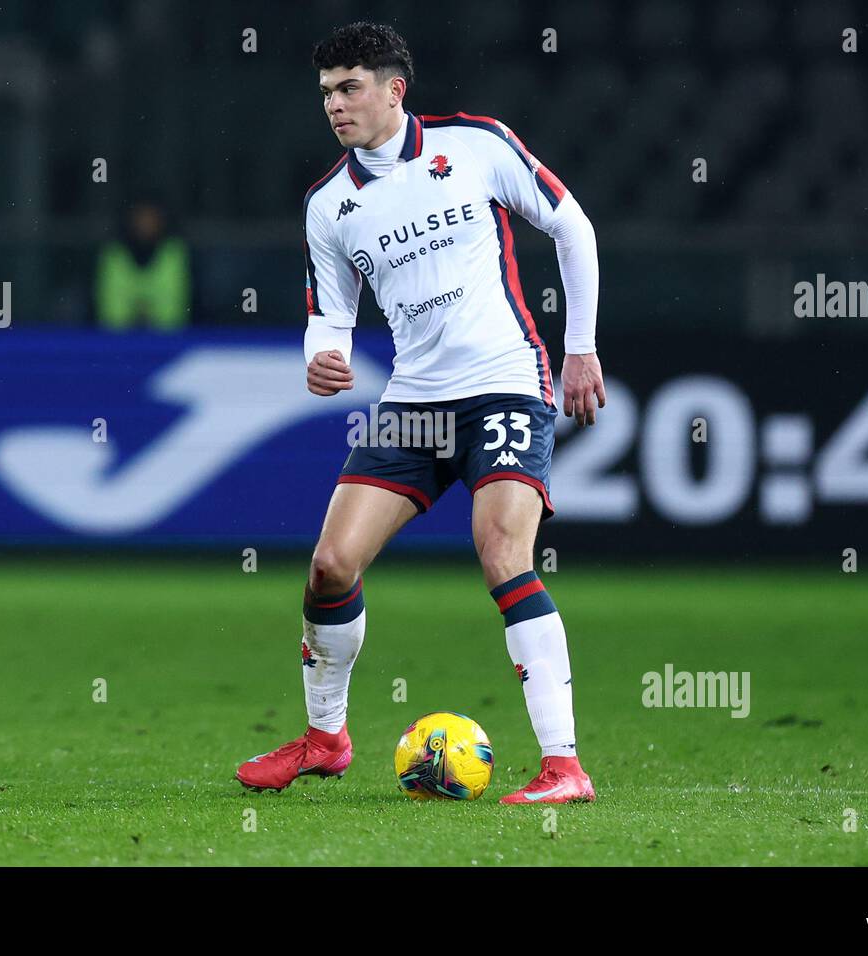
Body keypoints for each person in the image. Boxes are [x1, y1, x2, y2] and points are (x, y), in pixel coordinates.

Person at [236, 22, 604, 804]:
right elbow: (329, 315)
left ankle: (564, 765)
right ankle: (325, 739)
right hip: (414, 401)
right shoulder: (329, 205)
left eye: (350, 88)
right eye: (327, 91)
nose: (335, 104)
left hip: (505, 381)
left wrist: (581, 348)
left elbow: (571, 227)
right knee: (331, 566)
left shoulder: (475, 145)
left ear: (394, 89)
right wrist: (320, 354)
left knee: (501, 551)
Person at [94, 198, 191, 330]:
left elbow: (172, 315)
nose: (145, 225)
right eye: (141, 219)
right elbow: (112, 316)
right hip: (118, 343)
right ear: (130, 221)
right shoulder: (114, 254)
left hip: (168, 343)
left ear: (161, 221)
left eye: (151, 219)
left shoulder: (173, 253)